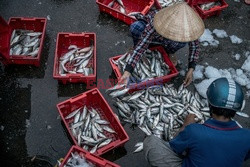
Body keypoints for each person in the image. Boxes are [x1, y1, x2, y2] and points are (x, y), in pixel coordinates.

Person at [143, 77, 250, 167]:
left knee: (151, 142)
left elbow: (175, 147)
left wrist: (185, 125)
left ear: (210, 104)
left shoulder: (194, 131)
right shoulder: (247, 136)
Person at [118, 2, 205, 87]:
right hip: (154, 34)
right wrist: (127, 71)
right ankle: (148, 48)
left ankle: (170, 51)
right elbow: (142, 45)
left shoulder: (191, 28)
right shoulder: (156, 21)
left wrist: (191, 69)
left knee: (182, 41)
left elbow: (195, 47)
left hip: (167, 41)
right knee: (136, 28)